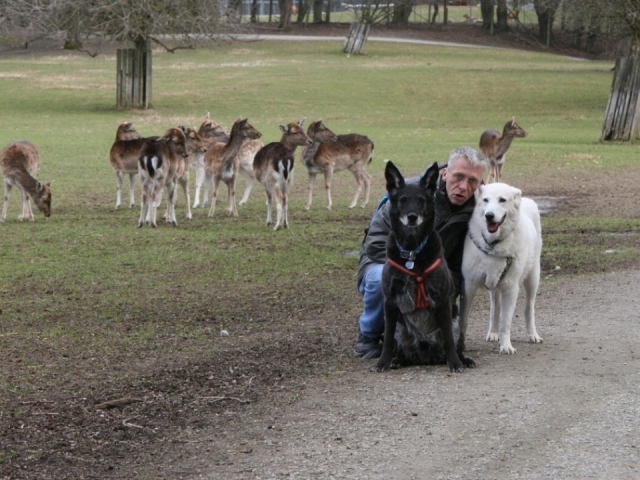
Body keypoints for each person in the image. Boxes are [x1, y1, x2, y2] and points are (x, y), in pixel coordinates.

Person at [354, 146, 489, 359]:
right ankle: (369, 336)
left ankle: (442, 340)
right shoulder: (407, 195)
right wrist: (411, 273)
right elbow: (375, 245)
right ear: (445, 174)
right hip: (389, 264)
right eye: (458, 177)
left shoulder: (480, 210)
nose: (463, 186)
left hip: (435, 272)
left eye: (473, 181)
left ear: (481, 184)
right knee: (380, 278)